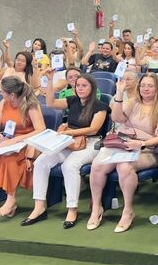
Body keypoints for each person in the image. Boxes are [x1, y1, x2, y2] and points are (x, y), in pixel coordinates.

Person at [87, 73, 158, 232]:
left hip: (147, 149)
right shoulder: (133, 102)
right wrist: (120, 93)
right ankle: (96, 208)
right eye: (143, 86)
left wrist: (141, 143)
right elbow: (116, 117)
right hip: (121, 144)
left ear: (157, 88)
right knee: (97, 165)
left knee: (124, 167)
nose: (146, 89)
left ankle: (127, 210)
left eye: (150, 86)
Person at [23, 72, 108, 228]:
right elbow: (50, 103)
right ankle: (39, 207)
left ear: (92, 87)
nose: (80, 88)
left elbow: (93, 129)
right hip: (69, 141)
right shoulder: (72, 100)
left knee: (69, 166)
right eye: (78, 86)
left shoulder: (100, 105)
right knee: (41, 161)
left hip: (91, 143)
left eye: (84, 86)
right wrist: (49, 81)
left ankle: (72, 209)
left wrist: (68, 132)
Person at [0, 76, 46, 219]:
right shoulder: (3, 103)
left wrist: (16, 140)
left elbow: (40, 129)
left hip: (25, 142)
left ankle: (11, 199)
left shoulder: (31, 104)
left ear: (12, 94)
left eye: (3, 91)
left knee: (9, 159)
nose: (0, 93)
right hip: (6, 141)